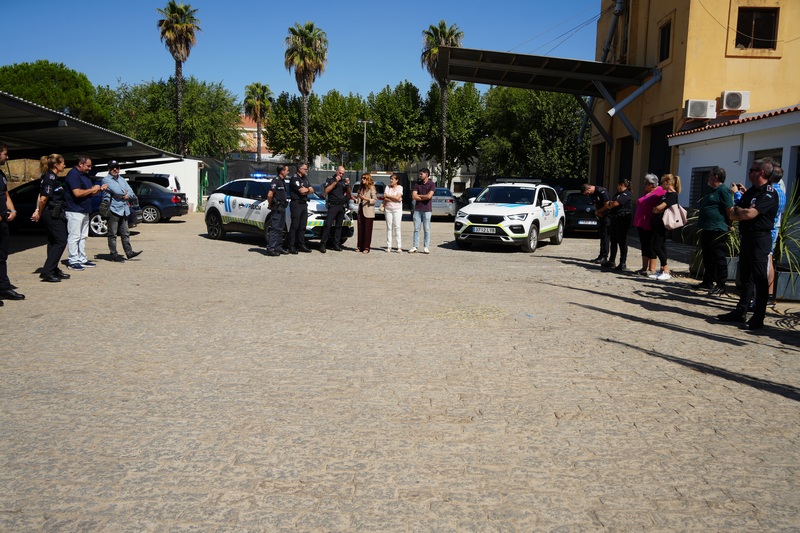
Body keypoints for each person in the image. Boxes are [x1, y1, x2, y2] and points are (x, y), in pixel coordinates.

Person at [717, 158, 779, 330]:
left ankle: (758, 318)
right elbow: (733, 213)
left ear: (761, 173)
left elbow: (749, 214)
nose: (749, 172)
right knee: (745, 277)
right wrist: (740, 212)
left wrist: (740, 212)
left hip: (760, 239)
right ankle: (741, 311)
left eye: (752, 170)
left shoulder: (768, 193)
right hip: (747, 237)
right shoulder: (752, 191)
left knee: (760, 278)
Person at [31, 154, 71, 282]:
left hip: (55, 212)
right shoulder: (50, 177)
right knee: (61, 240)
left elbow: (41, 194)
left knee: (53, 241)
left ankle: (53, 268)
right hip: (52, 213)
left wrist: (38, 210)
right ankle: (47, 271)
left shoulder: (51, 177)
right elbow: (43, 198)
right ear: (56, 165)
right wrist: (39, 211)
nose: (64, 165)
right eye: (63, 163)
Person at [64, 155, 106, 271]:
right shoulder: (73, 174)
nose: (90, 168)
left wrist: (98, 189)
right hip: (75, 210)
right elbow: (77, 193)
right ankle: (73, 260)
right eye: (88, 166)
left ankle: (82, 258)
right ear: (80, 164)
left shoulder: (85, 175)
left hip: (85, 210)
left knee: (83, 236)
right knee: (74, 236)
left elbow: (89, 192)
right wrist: (92, 189)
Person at [696, 166, 733, 295]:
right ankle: (708, 281)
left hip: (717, 229)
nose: (708, 178)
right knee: (707, 256)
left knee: (718, 257)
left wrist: (729, 225)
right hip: (708, 228)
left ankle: (721, 284)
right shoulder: (713, 191)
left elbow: (729, 210)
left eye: (710, 175)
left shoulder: (724, 191)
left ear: (716, 177)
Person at [102, 160, 142, 262]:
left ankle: (129, 252)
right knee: (112, 234)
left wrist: (126, 195)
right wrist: (124, 194)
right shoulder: (106, 180)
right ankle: (114, 254)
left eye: (117, 167)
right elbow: (117, 191)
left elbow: (131, 191)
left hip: (124, 209)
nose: (115, 169)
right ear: (109, 169)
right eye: (112, 167)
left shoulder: (122, 179)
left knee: (125, 233)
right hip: (113, 209)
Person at [0, 145, 25, 303]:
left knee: (2, 257)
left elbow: (5, 194)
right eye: (5, 154)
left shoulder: (1, 174)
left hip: (3, 221)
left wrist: (13, 210)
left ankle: (3, 287)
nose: (7, 157)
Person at [648, 174, 681, 280]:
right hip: (658, 222)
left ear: (668, 183)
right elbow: (657, 208)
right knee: (661, 245)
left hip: (663, 224)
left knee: (656, 246)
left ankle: (666, 269)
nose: (660, 185)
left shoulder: (672, 195)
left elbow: (659, 208)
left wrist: (657, 209)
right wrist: (656, 209)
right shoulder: (666, 194)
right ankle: (662, 270)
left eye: (662, 182)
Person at [632, 174, 664, 276]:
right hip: (641, 222)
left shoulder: (660, 191)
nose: (644, 185)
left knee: (651, 245)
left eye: (645, 183)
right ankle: (644, 267)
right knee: (644, 244)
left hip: (650, 222)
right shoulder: (647, 192)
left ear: (652, 184)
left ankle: (652, 268)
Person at [319, 165, 351, 253]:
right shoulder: (330, 179)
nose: (341, 175)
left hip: (341, 206)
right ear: (336, 171)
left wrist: (348, 185)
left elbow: (349, 195)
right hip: (333, 205)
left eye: (343, 174)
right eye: (340, 173)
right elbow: (326, 191)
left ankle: (336, 244)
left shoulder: (343, 181)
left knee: (339, 226)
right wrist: (335, 182)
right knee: (328, 225)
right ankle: (323, 244)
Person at [604, 178, 632, 271]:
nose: (617, 187)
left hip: (622, 220)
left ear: (622, 185)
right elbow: (609, 204)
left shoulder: (626, 194)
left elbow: (615, 203)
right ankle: (611, 261)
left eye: (618, 185)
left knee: (622, 241)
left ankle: (622, 262)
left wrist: (611, 204)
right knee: (613, 240)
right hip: (615, 218)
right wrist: (610, 204)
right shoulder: (618, 194)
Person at [581, 182, 611, 263]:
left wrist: (599, 211)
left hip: (607, 216)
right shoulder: (592, 194)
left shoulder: (601, 191)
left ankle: (604, 256)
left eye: (587, 193)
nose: (587, 195)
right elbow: (595, 204)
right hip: (601, 216)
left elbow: (607, 205)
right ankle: (601, 255)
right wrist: (597, 212)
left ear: (589, 188)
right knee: (602, 236)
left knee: (605, 237)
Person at [287, 163, 313, 254]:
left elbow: (312, 190)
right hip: (296, 204)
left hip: (303, 204)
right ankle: (291, 245)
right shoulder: (294, 178)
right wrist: (307, 190)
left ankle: (301, 244)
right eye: (305, 169)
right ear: (300, 169)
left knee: (302, 226)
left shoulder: (305, 178)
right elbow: (301, 191)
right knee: (295, 225)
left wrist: (307, 190)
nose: (307, 170)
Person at [266, 164, 289, 257]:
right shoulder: (276, 180)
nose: (288, 172)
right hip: (277, 207)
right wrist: (270, 204)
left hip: (282, 207)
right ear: (282, 171)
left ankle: (278, 247)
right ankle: (271, 248)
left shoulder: (282, 181)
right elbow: (270, 194)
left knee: (280, 228)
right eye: (287, 170)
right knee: (275, 228)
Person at [410, 168, 435, 254]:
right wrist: (424, 196)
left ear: (426, 174)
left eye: (421, 174)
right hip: (417, 209)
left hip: (427, 209)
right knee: (416, 229)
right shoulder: (417, 184)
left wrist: (419, 196)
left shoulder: (431, 184)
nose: (420, 175)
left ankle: (426, 247)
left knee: (426, 229)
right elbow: (413, 196)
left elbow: (429, 196)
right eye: (419, 174)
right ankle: (415, 246)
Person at [355, 172, 377, 253]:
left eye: (364, 178)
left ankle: (366, 247)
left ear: (368, 179)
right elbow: (359, 199)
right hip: (361, 210)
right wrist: (356, 199)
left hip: (368, 211)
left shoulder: (372, 188)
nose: (362, 180)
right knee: (360, 229)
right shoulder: (361, 188)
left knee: (367, 230)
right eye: (362, 178)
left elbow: (374, 200)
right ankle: (359, 246)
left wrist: (365, 198)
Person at [383, 173, 403, 253]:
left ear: (397, 180)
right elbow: (385, 197)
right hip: (388, 209)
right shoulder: (387, 187)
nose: (391, 181)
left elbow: (398, 197)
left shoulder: (400, 187)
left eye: (392, 179)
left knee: (397, 226)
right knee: (389, 227)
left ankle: (399, 246)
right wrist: (394, 199)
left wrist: (389, 196)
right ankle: (389, 246)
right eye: (390, 179)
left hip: (397, 209)